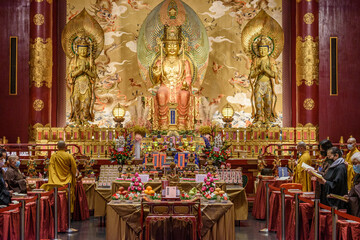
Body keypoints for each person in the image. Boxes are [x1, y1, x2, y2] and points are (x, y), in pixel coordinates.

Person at [41, 141, 77, 212]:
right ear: (65, 147)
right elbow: (74, 168)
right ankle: (67, 212)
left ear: (57, 147)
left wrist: (52, 179)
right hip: (67, 180)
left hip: (55, 181)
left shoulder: (54, 156)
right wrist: (74, 176)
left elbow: (51, 168)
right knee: (68, 196)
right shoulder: (69, 156)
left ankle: (56, 212)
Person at [346, 152, 360, 217]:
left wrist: (351, 198)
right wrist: (349, 196)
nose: (354, 166)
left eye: (355, 163)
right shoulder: (357, 176)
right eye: (353, 164)